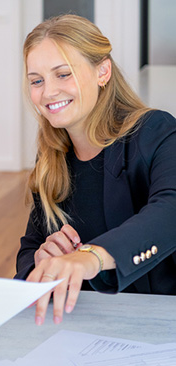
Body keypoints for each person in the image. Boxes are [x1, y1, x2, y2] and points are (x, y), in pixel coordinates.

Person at [16, 14, 176, 325]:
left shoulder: (155, 131)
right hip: (82, 326)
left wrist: (92, 257)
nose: (48, 92)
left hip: (156, 326)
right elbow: (31, 245)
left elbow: (170, 211)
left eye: (63, 74)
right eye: (37, 80)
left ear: (102, 71)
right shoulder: (53, 156)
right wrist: (41, 261)